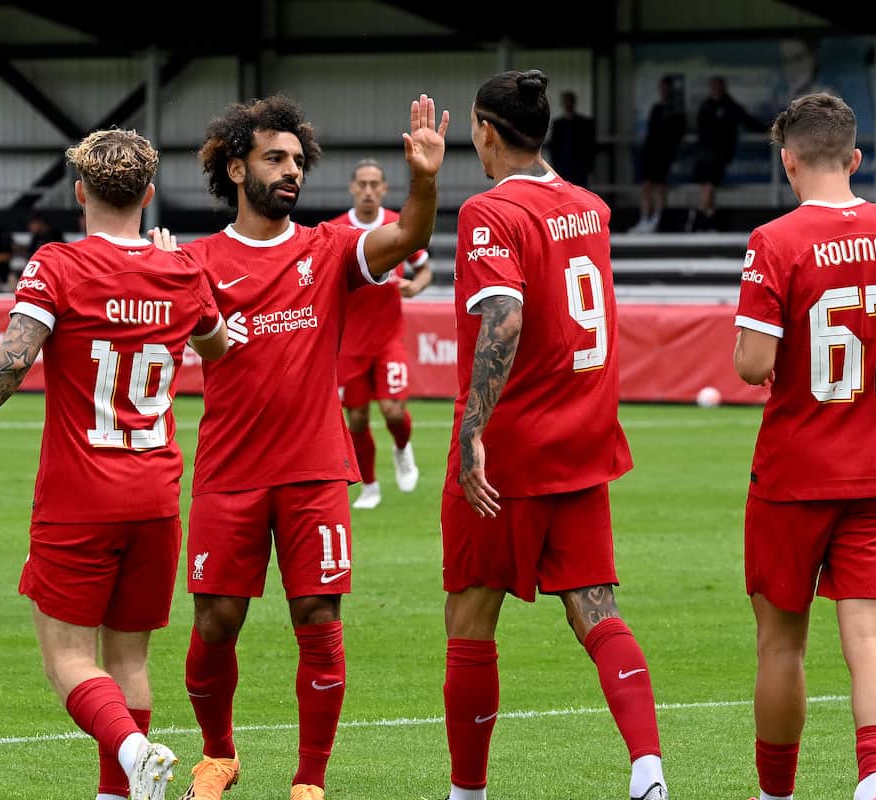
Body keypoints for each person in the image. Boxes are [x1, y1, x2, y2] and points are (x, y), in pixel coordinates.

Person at [0, 128, 229, 800]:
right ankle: (116, 792)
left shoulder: (58, 265)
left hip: (79, 496)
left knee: (68, 659)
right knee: (130, 660)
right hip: (155, 494)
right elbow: (219, 346)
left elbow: (12, 358)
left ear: (79, 191)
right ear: (148, 195)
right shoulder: (183, 271)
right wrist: (175, 272)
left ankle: (132, 752)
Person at [168, 94, 446, 800]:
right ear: (236, 168)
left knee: (318, 618)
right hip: (229, 472)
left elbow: (412, 235)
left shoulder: (327, 249)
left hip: (315, 469)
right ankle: (218, 756)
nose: (291, 171)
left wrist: (425, 177)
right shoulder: (197, 261)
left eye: (298, 160)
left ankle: (310, 781)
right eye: (275, 158)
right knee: (216, 622)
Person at [441, 69, 667, 800]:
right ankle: (647, 769)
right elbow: (551, 198)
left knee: (471, 614)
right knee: (597, 608)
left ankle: (468, 793)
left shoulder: (486, 212)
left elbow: (503, 314)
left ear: (482, 130)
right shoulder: (590, 207)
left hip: (511, 448)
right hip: (584, 439)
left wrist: (475, 428)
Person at [732, 93, 876, 800]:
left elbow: (752, 364)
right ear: (856, 159)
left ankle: (776, 795)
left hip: (795, 473)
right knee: (869, 641)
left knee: (782, 646)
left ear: (788, 162)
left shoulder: (776, 241)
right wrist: (865, 370)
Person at [330, 158, 433, 510]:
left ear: (385, 188)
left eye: (375, 184)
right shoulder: (336, 231)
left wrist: (415, 287)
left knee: (392, 410)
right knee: (356, 417)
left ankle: (403, 448)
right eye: (363, 183)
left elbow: (423, 269)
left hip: (389, 338)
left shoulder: (398, 226)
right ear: (352, 188)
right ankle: (370, 485)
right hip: (350, 345)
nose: (369, 190)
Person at [689, 77, 768, 232]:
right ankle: (708, 219)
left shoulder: (730, 106)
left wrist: (767, 130)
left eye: (718, 86)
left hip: (718, 155)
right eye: (713, 86)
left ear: (723, 87)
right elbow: (699, 127)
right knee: (706, 186)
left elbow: (747, 120)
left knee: (709, 186)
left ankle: (699, 221)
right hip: (704, 154)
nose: (716, 89)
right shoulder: (706, 106)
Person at [631, 76, 686, 233]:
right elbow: (650, 130)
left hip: (664, 153)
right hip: (651, 152)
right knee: (646, 185)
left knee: (660, 186)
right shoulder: (657, 107)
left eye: (665, 88)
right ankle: (644, 218)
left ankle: (657, 219)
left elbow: (677, 134)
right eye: (661, 88)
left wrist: (670, 150)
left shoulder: (676, 110)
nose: (663, 91)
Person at [546, 90, 596, 188]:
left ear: (574, 102)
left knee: (580, 190)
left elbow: (590, 146)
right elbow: (554, 146)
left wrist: (588, 165)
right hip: (562, 166)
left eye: (569, 101)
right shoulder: (558, 124)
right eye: (565, 101)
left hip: (580, 167)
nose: (567, 104)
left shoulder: (585, 123)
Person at [6, 212, 65, 291]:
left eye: (32, 224)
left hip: (50, 270)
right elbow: (30, 253)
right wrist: (19, 249)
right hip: (36, 269)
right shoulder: (36, 236)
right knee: (12, 276)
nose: (30, 227)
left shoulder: (55, 235)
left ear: (40, 222)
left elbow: (58, 256)